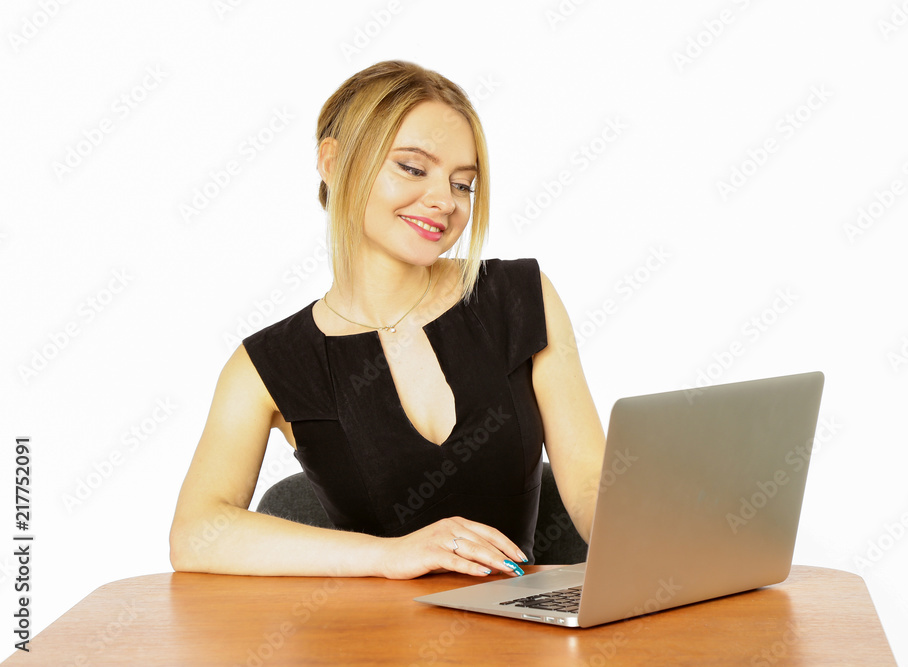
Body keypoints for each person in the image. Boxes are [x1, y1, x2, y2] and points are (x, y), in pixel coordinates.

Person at [169, 60, 606, 580]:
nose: (445, 201)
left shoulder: (519, 297)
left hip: (519, 638)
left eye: (463, 184)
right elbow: (196, 534)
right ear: (332, 163)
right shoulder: (266, 365)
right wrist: (391, 555)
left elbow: (590, 484)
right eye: (414, 168)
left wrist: (674, 541)